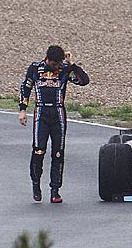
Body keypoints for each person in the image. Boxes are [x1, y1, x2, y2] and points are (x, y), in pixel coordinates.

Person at [18, 45, 89, 203]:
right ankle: (36, 184)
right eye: (55, 64)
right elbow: (26, 87)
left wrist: (72, 65)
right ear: (48, 59)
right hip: (41, 112)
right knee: (38, 150)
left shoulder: (65, 69)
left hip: (58, 113)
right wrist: (22, 110)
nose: (57, 67)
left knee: (58, 152)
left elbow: (84, 81)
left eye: (59, 64)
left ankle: (55, 190)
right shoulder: (35, 68)